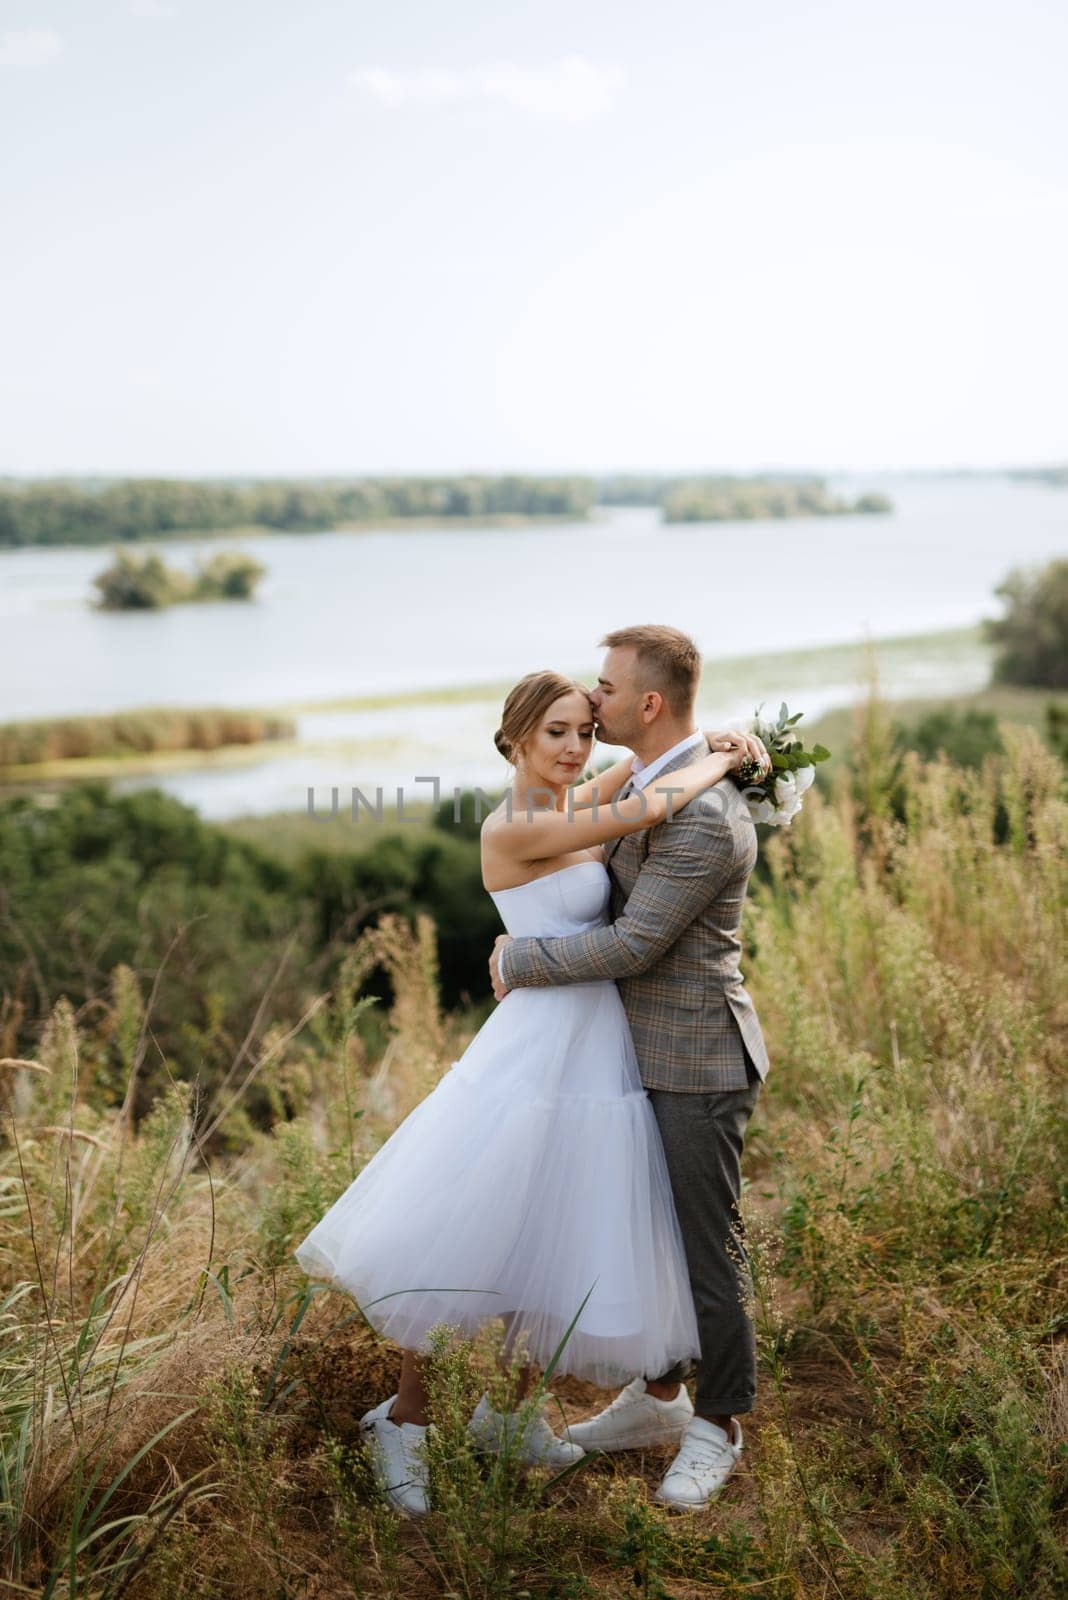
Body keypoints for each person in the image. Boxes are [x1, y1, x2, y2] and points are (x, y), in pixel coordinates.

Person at [294, 666, 767, 1516]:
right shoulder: (513, 826)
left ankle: (510, 1418)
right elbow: (652, 804)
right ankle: (406, 1423)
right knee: (470, 1236)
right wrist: (723, 762)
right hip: (538, 1048)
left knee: (550, 1232)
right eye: (556, 732)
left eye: (586, 729)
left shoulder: (571, 799)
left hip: (598, 1051)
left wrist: (717, 742)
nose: (577, 747)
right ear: (514, 737)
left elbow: (641, 774)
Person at [491, 624, 771, 1512]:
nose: (591, 703)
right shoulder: (643, 779)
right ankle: (657, 1400)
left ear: (647, 703)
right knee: (650, 1238)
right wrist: (732, 748)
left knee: (705, 1252)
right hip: (624, 1054)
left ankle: (718, 1424)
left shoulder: (703, 818)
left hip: (693, 1056)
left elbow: (637, 943)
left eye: (605, 691)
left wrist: (516, 961)